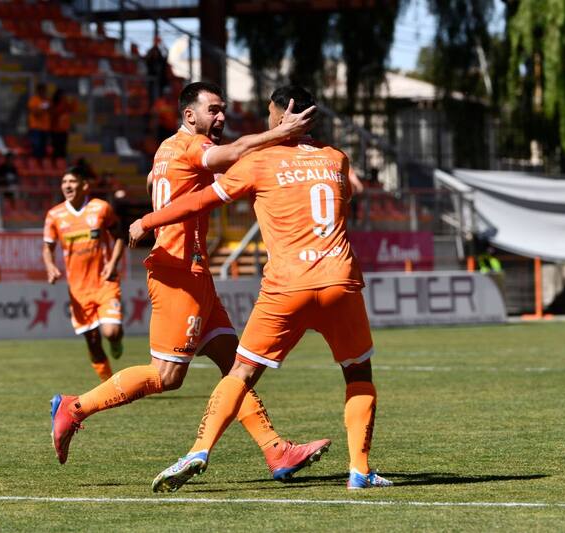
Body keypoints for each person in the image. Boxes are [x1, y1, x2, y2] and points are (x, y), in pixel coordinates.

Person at [47, 82, 330, 484]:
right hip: (179, 274)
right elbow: (231, 153)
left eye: (223, 110)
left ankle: (276, 451)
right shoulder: (192, 147)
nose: (221, 117)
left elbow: (152, 181)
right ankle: (73, 408)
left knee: (235, 368)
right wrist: (280, 135)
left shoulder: (167, 148)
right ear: (189, 116)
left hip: (193, 273)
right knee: (166, 376)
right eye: (213, 110)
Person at [129, 85, 393, 492]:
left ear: (281, 114)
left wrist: (149, 220)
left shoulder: (259, 162)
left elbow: (199, 201)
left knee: (241, 372)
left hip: (286, 287)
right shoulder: (336, 159)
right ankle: (360, 469)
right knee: (358, 371)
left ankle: (199, 449)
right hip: (340, 280)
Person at [43, 168, 125, 382]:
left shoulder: (101, 208)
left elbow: (119, 236)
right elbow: (47, 247)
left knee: (111, 332)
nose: (67, 186)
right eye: (64, 182)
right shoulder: (54, 215)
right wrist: (50, 266)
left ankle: (116, 342)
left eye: (72, 181)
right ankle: (109, 384)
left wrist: (113, 264)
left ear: (85, 186)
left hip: (105, 282)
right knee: (93, 341)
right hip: (78, 290)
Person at [49, 88, 76, 161]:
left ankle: (61, 163)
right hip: (55, 130)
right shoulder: (54, 103)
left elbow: (72, 109)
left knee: (63, 147)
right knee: (56, 147)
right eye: (62, 95)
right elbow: (55, 112)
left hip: (63, 130)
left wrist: (73, 101)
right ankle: (56, 163)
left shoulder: (65, 102)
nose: (63, 96)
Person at [27, 82, 51, 158]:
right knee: (36, 146)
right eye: (42, 90)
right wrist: (42, 108)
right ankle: (36, 163)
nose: (44, 92)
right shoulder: (33, 100)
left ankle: (43, 163)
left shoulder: (47, 100)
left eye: (45, 91)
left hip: (45, 127)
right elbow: (34, 112)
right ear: (38, 91)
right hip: (36, 127)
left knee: (44, 147)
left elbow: (51, 111)